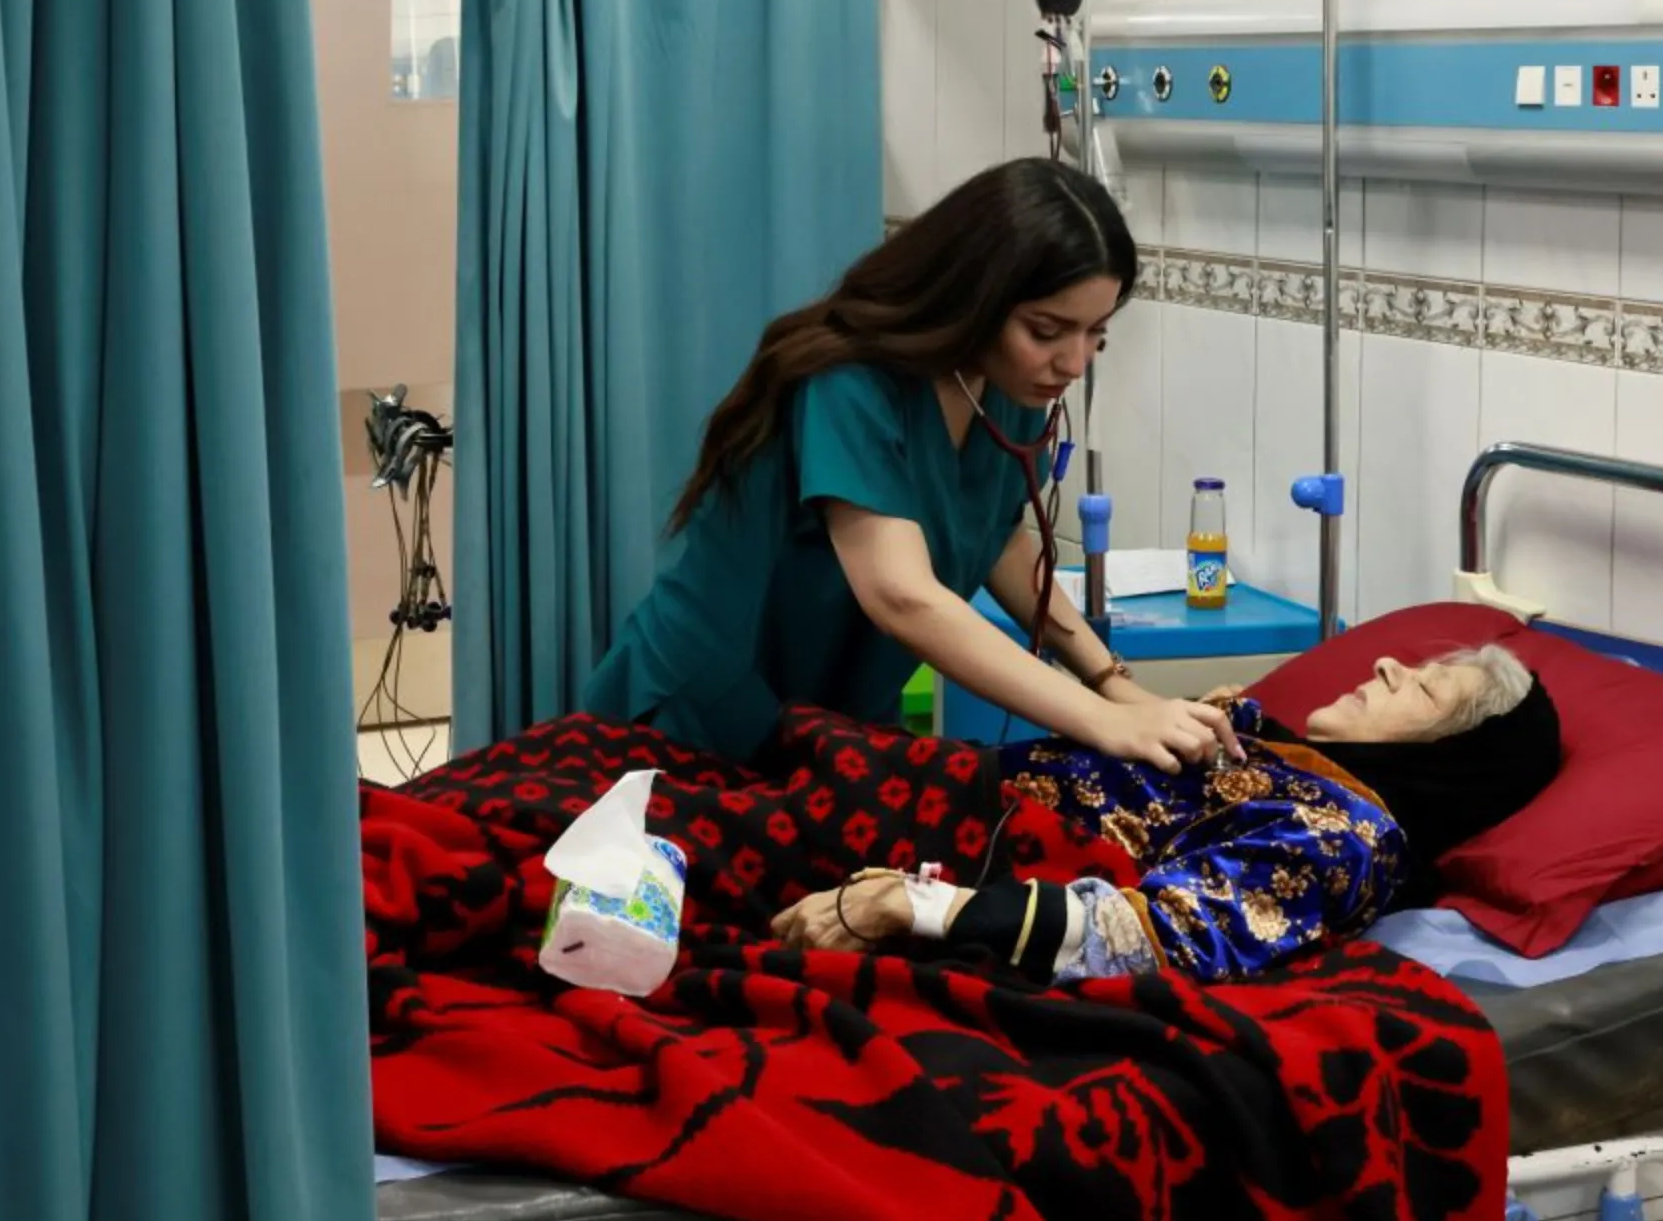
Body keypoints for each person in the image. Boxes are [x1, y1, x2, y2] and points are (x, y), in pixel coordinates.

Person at [581, 158, 1241, 773]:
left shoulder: (1008, 389)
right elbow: (901, 594)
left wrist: (1112, 682)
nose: (1074, 362)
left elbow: (997, 536)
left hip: (830, 729)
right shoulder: (851, 382)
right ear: (975, 295)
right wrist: (1101, 721)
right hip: (701, 717)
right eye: (1047, 331)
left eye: (1095, 334)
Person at [770, 647, 1563, 984]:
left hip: (958, 857)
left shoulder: (1343, 837)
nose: (1386, 664)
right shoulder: (1268, 745)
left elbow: (1147, 939)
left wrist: (910, 901)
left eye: (1421, 688)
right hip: (935, 791)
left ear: (1451, 761)